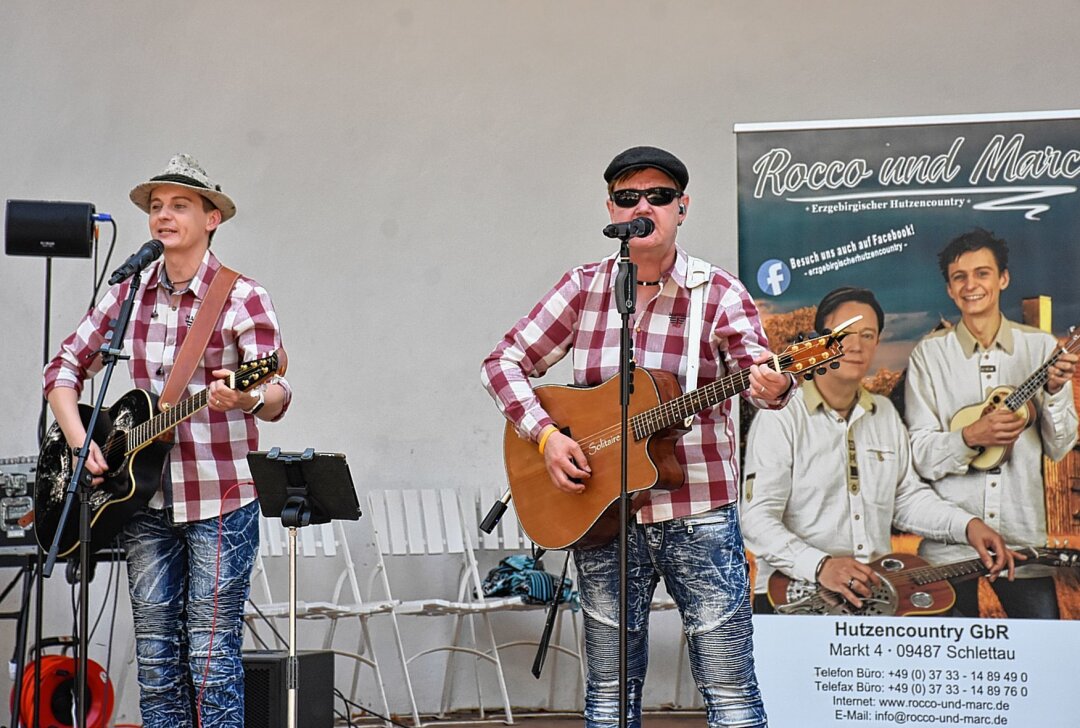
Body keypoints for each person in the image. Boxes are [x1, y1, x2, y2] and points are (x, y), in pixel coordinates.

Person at [482, 146, 786, 728]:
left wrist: (772, 385)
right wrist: (546, 437)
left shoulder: (717, 293)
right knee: (609, 685)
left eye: (659, 197)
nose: (643, 206)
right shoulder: (583, 287)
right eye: (629, 198)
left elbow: (759, 377)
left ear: (682, 208)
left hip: (697, 507)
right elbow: (502, 363)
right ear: (612, 210)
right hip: (603, 513)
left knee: (728, 683)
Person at [43, 153, 292, 726]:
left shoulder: (241, 296)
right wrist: (82, 442)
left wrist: (246, 397)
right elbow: (63, 368)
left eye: (179, 205)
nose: (164, 215)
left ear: (212, 219)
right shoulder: (127, 292)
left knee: (211, 659)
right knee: (155, 658)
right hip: (141, 499)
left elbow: (277, 391)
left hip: (221, 498)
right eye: (156, 206)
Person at [741, 286, 1015, 615]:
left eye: (868, 335)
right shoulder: (781, 416)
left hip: (875, 599)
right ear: (820, 340)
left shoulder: (884, 414)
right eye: (845, 335)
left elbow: (906, 499)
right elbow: (756, 520)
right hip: (793, 601)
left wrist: (969, 526)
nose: (856, 346)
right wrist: (820, 566)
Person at [903, 228, 1077, 619]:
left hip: (1023, 543)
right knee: (947, 664)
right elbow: (920, 456)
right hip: (949, 548)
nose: (971, 285)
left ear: (1003, 279)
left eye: (982, 273)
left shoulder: (1040, 348)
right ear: (949, 289)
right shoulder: (928, 357)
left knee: (1038, 663)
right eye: (959, 277)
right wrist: (968, 438)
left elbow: (1061, 445)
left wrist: (1054, 391)